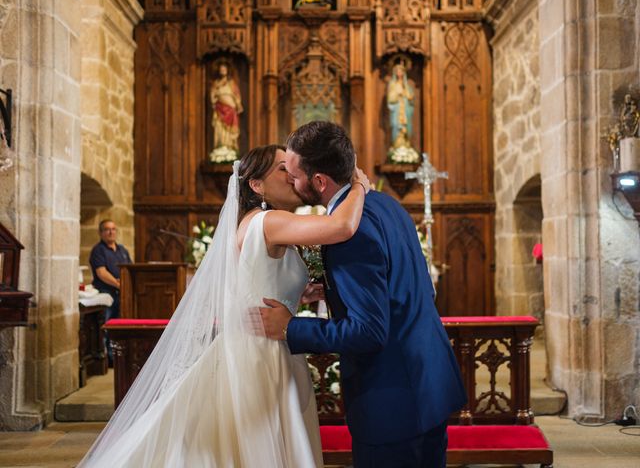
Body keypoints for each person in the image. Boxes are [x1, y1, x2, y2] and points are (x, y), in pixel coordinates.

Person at [78, 145, 371, 467]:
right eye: (281, 168)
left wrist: (298, 295)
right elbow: (341, 227)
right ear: (256, 185)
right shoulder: (269, 220)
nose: (291, 175)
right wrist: (357, 186)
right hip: (264, 356)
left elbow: (256, 282)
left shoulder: (252, 222)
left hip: (261, 344)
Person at [260, 121, 467, 468]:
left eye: (295, 176)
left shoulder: (348, 234)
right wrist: (332, 292)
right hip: (427, 385)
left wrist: (290, 327)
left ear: (320, 181)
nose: (292, 183)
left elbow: (368, 331)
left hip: (393, 402)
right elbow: (401, 286)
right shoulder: (388, 206)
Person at [89, 219, 132, 365]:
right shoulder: (98, 250)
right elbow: (101, 272)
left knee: (121, 327)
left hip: (123, 295)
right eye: (107, 229)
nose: (111, 232)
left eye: (113, 229)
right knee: (108, 327)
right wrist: (119, 284)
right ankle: (110, 359)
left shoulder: (122, 250)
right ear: (101, 233)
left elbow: (130, 269)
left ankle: (121, 357)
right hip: (106, 293)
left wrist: (126, 284)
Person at [210, 62, 243, 162]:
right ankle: (221, 147)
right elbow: (212, 96)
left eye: (224, 69)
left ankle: (230, 147)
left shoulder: (231, 83)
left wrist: (238, 104)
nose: (222, 70)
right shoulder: (216, 83)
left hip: (231, 109)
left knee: (230, 131)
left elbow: (237, 96)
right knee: (220, 128)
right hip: (220, 108)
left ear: (227, 70)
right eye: (221, 69)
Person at [387, 61, 415, 148]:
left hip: (405, 110)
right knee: (396, 126)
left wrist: (408, 97)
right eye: (398, 71)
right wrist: (397, 94)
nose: (399, 73)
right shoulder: (393, 84)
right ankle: (396, 147)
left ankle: (406, 146)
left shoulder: (406, 85)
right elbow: (390, 98)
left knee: (406, 128)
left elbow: (410, 98)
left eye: (401, 71)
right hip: (397, 110)